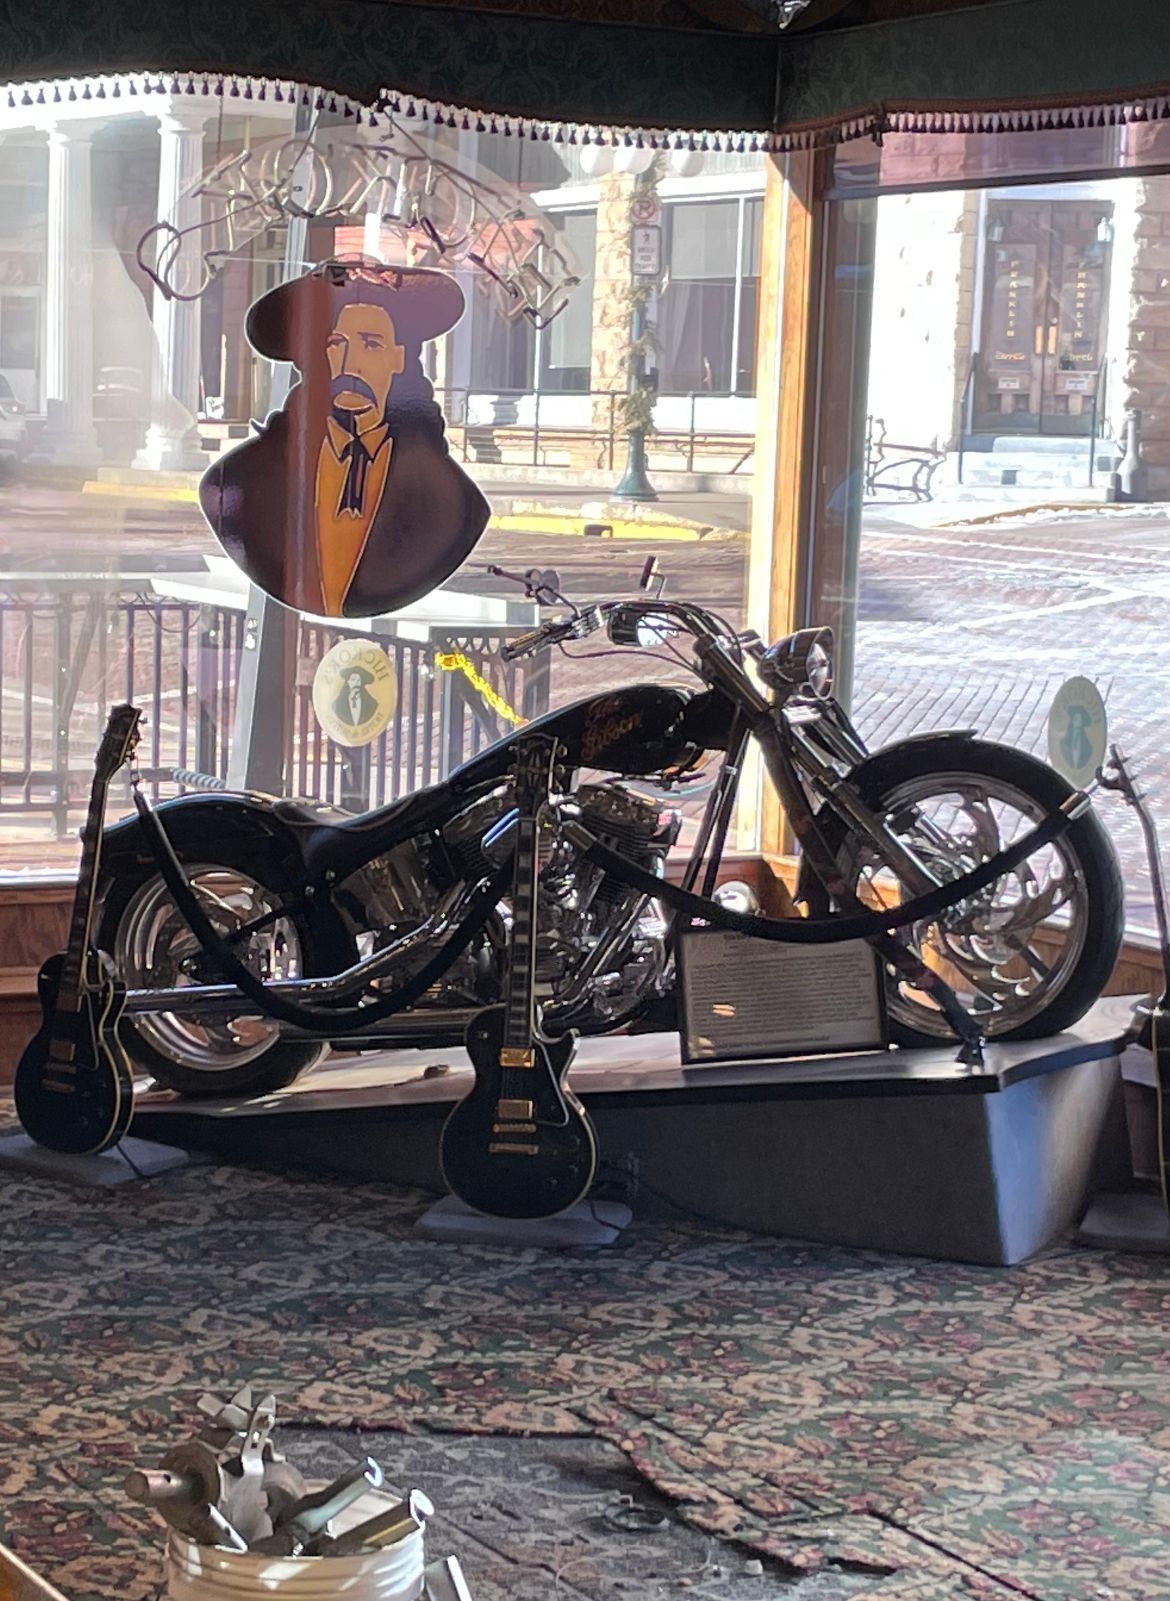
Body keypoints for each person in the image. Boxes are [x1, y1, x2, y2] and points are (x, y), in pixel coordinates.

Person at [199, 259, 489, 617]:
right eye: (337, 344)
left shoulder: (457, 505)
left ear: (398, 358)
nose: (351, 363)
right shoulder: (235, 483)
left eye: (371, 344)